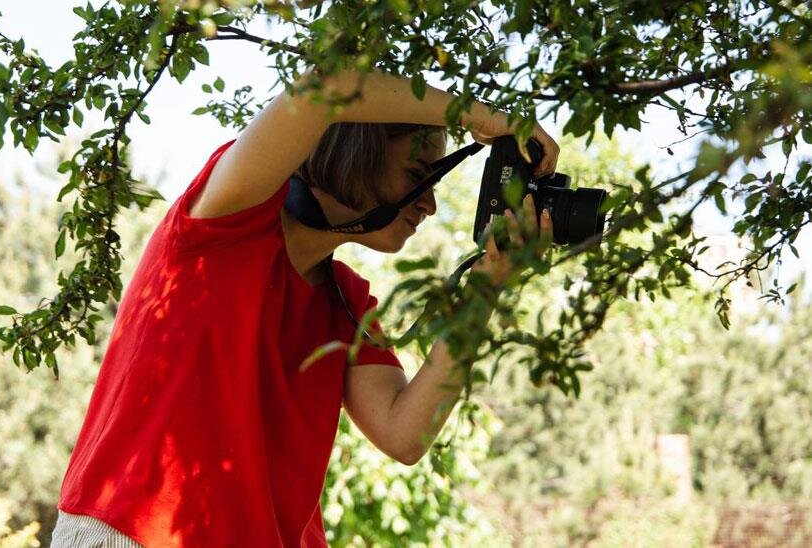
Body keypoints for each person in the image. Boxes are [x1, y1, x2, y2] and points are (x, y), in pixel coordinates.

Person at [50, 68, 558, 547]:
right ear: (358, 150)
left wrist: (487, 286)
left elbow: (405, 435)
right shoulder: (228, 219)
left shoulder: (346, 301)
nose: (428, 204)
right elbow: (322, 90)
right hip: (135, 529)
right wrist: (482, 117)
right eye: (417, 173)